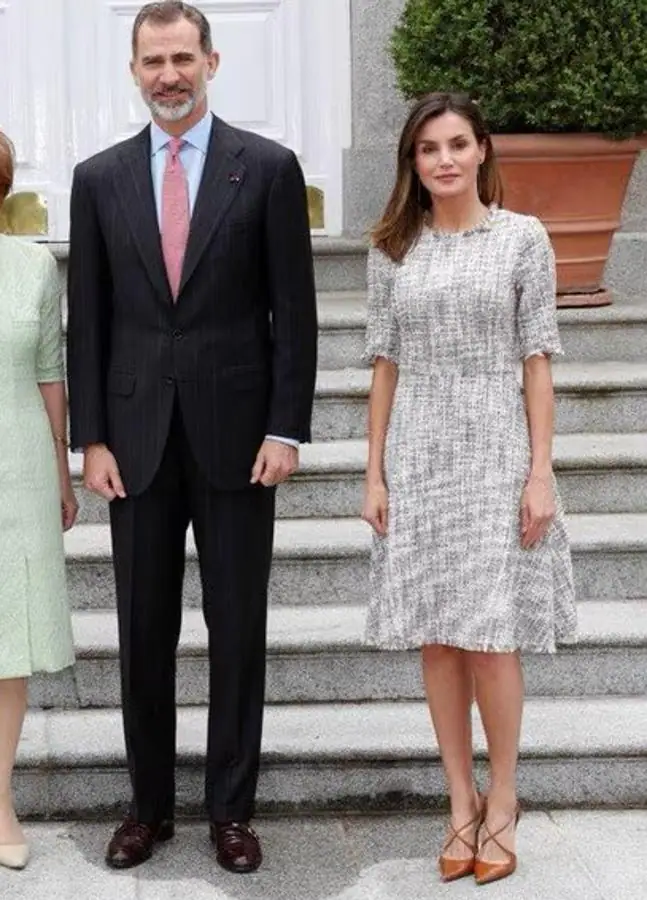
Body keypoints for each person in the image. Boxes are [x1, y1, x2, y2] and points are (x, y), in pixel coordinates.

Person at [66, 0, 317, 875]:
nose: (168, 75)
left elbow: (296, 312)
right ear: (133, 71)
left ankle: (231, 811)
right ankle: (148, 808)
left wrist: (287, 426)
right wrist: (91, 438)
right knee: (142, 632)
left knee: (237, 627)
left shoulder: (270, 170)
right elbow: (86, 320)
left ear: (211, 60)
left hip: (241, 437)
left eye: (182, 57)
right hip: (133, 444)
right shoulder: (98, 179)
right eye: (152, 61)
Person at [361, 92, 577, 887]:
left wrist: (540, 468)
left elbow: (537, 358)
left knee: (490, 638)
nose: (443, 159)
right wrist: (373, 470)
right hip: (417, 450)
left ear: (482, 150)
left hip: (495, 446)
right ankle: (459, 799)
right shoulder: (391, 246)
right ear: (411, 163)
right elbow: (382, 364)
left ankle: (505, 797)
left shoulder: (522, 239)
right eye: (427, 149)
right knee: (438, 636)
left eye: (456, 144)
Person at [0, 132, 78, 872]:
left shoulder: (32, 265)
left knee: (8, 638)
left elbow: (51, 372)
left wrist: (61, 468)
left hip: (18, 460)